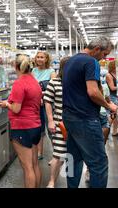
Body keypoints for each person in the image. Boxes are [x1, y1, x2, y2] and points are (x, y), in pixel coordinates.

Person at [62, 36, 118, 188]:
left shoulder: (70, 61)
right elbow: (92, 92)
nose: (104, 58)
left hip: (69, 116)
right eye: (104, 54)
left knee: (73, 159)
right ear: (97, 49)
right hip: (84, 118)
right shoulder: (91, 61)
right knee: (99, 163)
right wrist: (108, 105)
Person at [0, 54, 42, 188]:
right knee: (34, 165)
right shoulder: (34, 81)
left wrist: (6, 104)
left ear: (16, 66)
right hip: (35, 126)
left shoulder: (19, 83)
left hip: (22, 127)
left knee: (27, 168)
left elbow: (16, 109)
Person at [44, 56, 70, 188]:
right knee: (58, 154)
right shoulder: (54, 82)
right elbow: (47, 101)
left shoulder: (79, 82)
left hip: (77, 124)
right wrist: (50, 120)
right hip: (60, 123)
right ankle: (52, 181)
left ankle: (70, 181)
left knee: (72, 154)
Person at [32, 51, 56, 160]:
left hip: (48, 105)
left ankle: (56, 154)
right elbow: (31, 88)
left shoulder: (51, 72)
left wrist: (42, 96)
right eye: (38, 57)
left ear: (46, 59)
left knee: (52, 128)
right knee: (39, 129)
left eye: (42, 57)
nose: (39, 59)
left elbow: (54, 89)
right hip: (36, 105)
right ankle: (39, 152)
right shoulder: (33, 71)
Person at [106, 61, 118, 135]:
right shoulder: (108, 75)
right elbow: (112, 88)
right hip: (112, 96)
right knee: (113, 115)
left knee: (115, 115)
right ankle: (106, 129)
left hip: (116, 96)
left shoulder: (115, 74)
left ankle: (114, 131)